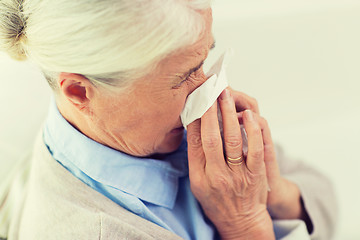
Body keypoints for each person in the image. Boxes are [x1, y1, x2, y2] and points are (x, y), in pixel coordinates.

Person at [0, 0, 337, 239]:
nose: (209, 90)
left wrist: (274, 190)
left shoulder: (156, 128)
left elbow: (325, 197)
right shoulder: (95, 231)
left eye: (205, 59)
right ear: (79, 92)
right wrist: (245, 224)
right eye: (184, 77)